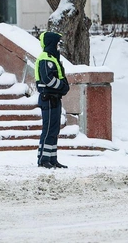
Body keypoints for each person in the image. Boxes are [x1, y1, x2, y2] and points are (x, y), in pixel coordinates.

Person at [35, 31, 70, 169]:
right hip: (48, 98)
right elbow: (47, 79)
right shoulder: (46, 58)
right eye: (57, 43)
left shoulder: (52, 57)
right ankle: (43, 159)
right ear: (51, 43)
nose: (58, 46)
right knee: (49, 129)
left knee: (54, 130)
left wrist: (63, 88)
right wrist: (62, 86)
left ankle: (52, 158)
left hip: (54, 98)